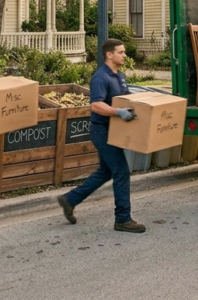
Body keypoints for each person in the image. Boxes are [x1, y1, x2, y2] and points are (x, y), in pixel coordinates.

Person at [57, 39, 145, 233]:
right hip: (102, 131)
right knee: (121, 171)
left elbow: (124, 96)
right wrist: (117, 112)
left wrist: (141, 102)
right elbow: (96, 105)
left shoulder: (119, 76)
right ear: (109, 54)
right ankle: (122, 219)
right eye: (121, 52)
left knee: (106, 172)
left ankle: (70, 199)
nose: (125, 55)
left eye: (124, 52)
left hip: (114, 130)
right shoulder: (100, 78)